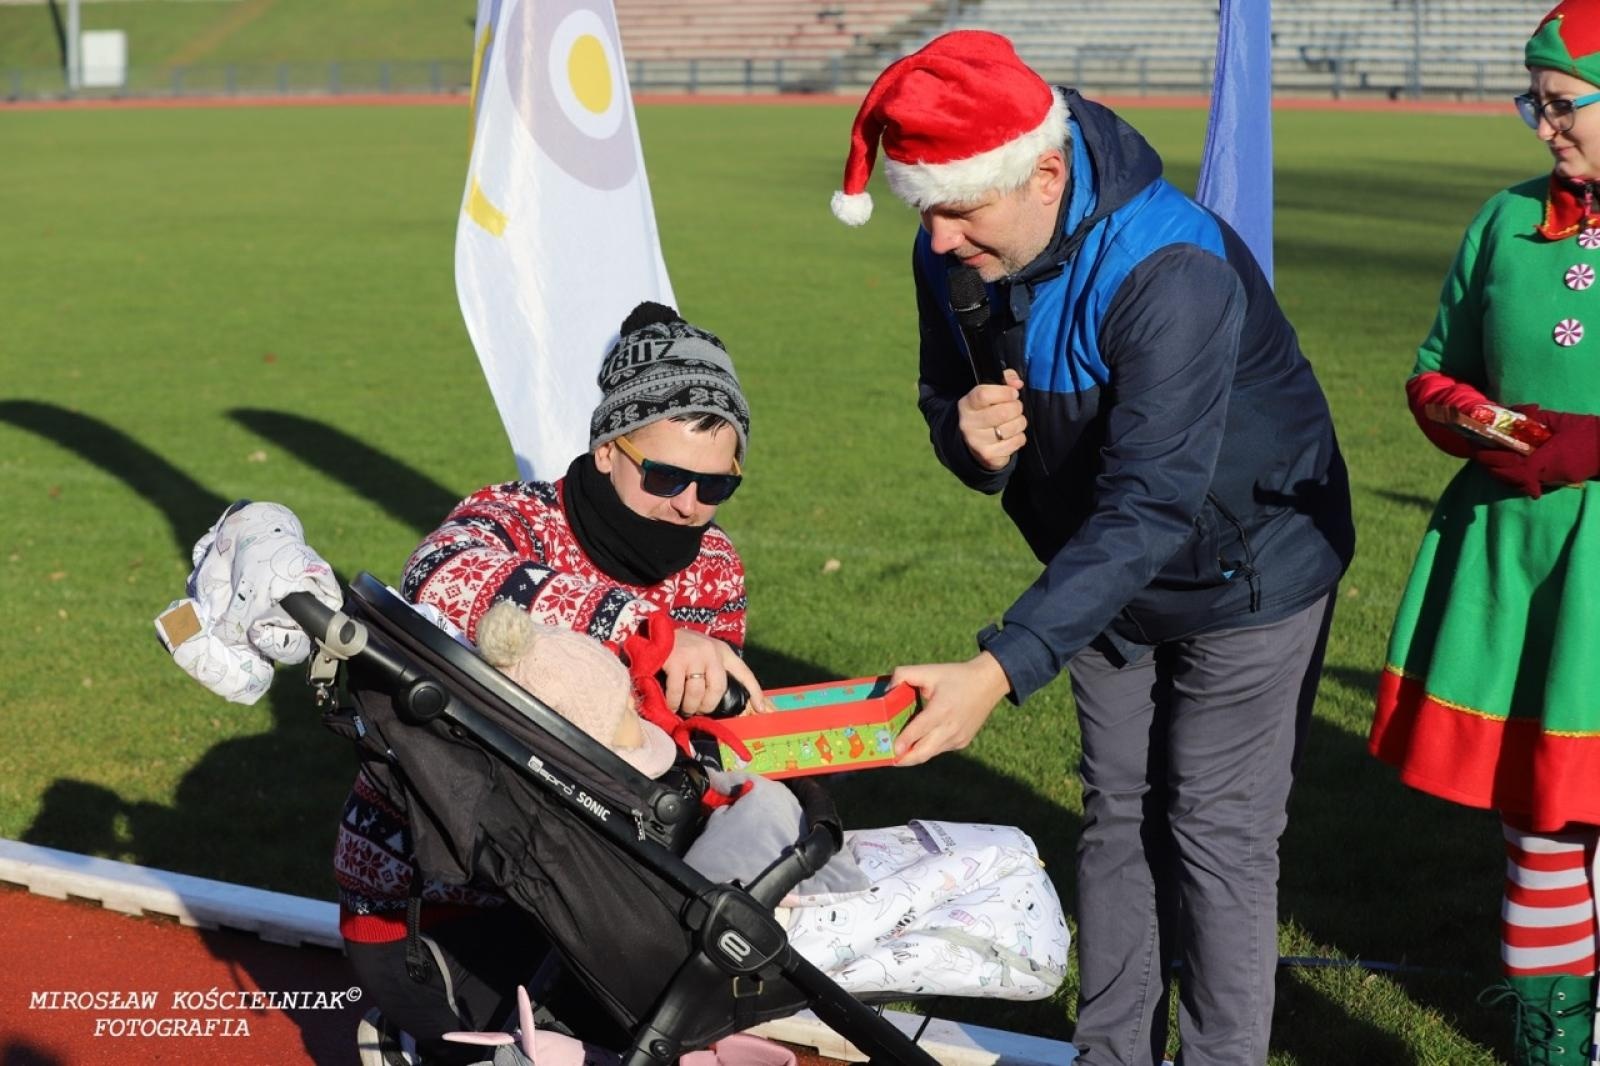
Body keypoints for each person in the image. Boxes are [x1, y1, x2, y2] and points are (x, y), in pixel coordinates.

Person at [827, 31, 1355, 1066]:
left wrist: (999, 667)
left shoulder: (1170, 268)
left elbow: (1154, 500)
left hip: (1252, 567)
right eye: (923, 209)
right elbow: (950, 390)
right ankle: (1109, 1053)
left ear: (1046, 174)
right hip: (1101, 572)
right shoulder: (955, 241)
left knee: (1211, 832)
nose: (935, 239)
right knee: (1118, 815)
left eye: (957, 211)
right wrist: (964, 437)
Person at [346, 301, 763, 1066]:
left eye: (716, 487)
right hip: (448, 899)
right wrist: (639, 626)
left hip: (598, 890)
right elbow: (436, 577)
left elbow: (676, 744)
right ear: (608, 448)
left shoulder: (715, 565)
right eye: (667, 475)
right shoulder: (512, 516)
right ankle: (417, 1031)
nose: (689, 507)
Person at [1369, 3, 1600, 1062]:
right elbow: (1431, 367)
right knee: (1540, 814)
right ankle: (1550, 1043)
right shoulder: (1503, 220)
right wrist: (1484, 422)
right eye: (1536, 106)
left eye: (1563, 107)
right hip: (1516, 558)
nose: (1544, 127)